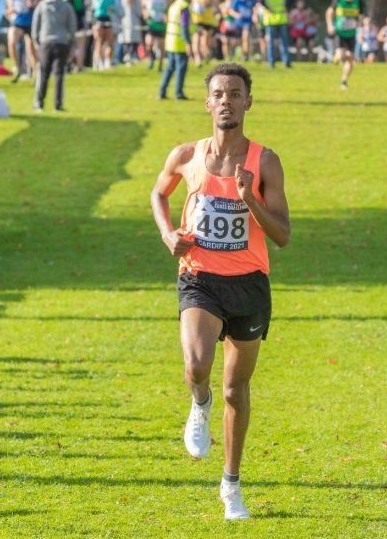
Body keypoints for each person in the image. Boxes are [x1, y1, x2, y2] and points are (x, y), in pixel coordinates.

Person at [150, 63, 290, 520]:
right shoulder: (187, 154)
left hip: (248, 283)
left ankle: (231, 486)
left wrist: (250, 199)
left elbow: (284, 234)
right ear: (207, 102)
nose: (226, 100)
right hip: (199, 277)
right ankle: (198, 402)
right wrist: (169, 234)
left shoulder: (265, 161)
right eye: (218, 93)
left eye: (235, 92)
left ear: (249, 101)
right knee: (197, 365)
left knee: (236, 388)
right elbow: (158, 194)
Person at [32, 0, 77, 113]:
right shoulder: (67, 7)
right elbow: (72, 26)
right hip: (62, 42)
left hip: (45, 41)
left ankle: (39, 102)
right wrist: (71, 42)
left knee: (43, 73)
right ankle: (57, 104)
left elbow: (36, 24)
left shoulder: (42, 5)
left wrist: (36, 40)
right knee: (59, 74)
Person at [5, 0, 42, 82]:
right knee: (11, 41)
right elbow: (10, 5)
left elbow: (42, 1)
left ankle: (36, 72)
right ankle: (17, 67)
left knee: (31, 48)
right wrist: (11, 10)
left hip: (31, 20)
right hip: (18, 20)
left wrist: (33, 4)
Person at [325, 0, 365, 89]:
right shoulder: (338, 0)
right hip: (340, 33)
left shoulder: (359, 2)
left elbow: (361, 18)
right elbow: (329, 13)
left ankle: (344, 81)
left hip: (352, 34)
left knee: (350, 59)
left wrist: (361, 30)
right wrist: (330, 25)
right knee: (342, 55)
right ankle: (336, 58)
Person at [159, 0, 194, 100]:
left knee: (170, 67)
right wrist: (188, 43)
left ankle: (162, 92)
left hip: (170, 40)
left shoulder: (174, 4)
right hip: (179, 42)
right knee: (181, 68)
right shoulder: (184, 7)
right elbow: (184, 26)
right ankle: (178, 93)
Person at [256, 0, 294, 69]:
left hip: (270, 21)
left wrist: (267, 7)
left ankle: (271, 62)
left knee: (270, 43)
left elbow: (259, 1)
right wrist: (287, 8)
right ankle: (286, 62)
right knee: (284, 42)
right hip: (282, 19)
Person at [143, 0, 169, 71]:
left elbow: (168, 7)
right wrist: (145, 14)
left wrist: (166, 16)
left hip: (161, 23)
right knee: (149, 43)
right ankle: (151, 59)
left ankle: (160, 66)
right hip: (151, 23)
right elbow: (144, 8)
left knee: (161, 45)